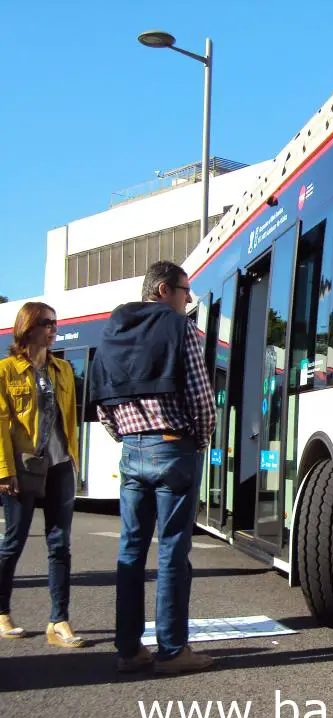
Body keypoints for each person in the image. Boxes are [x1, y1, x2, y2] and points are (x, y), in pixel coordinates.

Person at [89, 261, 216, 675]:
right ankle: (172, 649)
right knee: (173, 551)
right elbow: (201, 397)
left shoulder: (112, 332)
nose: (187, 301)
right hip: (172, 446)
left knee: (131, 549)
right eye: (185, 291)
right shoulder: (179, 329)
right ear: (164, 290)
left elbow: (102, 401)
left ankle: (129, 649)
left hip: (131, 449)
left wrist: (127, 436)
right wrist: (198, 442)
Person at [0, 302, 85, 647]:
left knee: (59, 543)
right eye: (47, 323)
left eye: (55, 323)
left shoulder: (62, 369)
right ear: (28, 327)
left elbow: (70, 419)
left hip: (60, 465)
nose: (54, 329)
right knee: (14, 541)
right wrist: (4, 471)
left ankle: (59, 621)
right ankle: (2, 611)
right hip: (22, 468)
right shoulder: (5, 371)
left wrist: (74, 462)